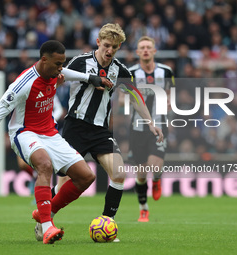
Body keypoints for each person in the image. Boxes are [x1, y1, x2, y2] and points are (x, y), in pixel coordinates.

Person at [0, 40, 112, 244]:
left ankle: (47, 210)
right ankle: (47, 227)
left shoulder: (54, 72)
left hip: (50, 133)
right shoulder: (23, 84)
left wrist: (91, 78)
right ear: (43, 60)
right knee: (45, 165)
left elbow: (68, 74)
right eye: (57, 64)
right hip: (24, 133)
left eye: (63, 64)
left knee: (86, 177)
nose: (61, 68)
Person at [51, 24, 163, 241]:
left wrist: (150, 122)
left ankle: (107, 222)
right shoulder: (81, 62)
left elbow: (135, 96)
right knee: (64, 183)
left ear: (119, 47)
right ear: (98, 43)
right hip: (75, 127)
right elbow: (58, 75)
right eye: (106, 45)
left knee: (119, 172)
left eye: (114, 47)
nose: (109, 50)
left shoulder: (121, 71)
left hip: (101, 130)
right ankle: (47, 219)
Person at [128, 36, 175, 222]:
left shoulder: (166, 71)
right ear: (137, 52)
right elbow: (130, 98)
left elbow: (170, 91)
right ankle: (143, 208)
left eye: (149, 47)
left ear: (154, 51)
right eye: (142, 48)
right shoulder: (131, 72)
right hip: (137, 127)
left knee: (155, 165)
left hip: (160, 126)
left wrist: (170, 101)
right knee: (140, 174)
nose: (146, 50)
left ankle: (156, 179)